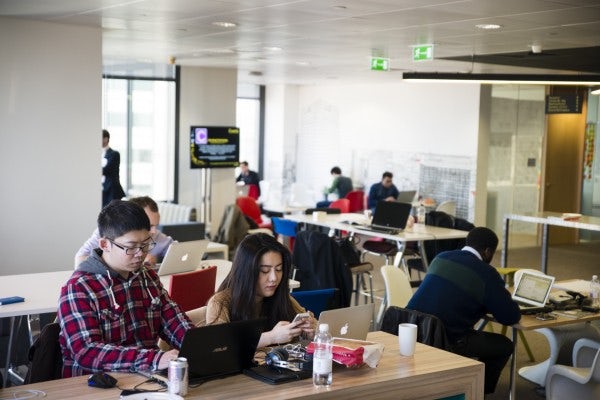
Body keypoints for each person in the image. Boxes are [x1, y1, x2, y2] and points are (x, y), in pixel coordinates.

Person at [58, 200, 193, 377]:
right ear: (105, 245)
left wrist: (197, 345)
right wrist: (154, 359)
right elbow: (87, 351)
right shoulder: (79, 287)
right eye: (131, 247)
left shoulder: (147, 276)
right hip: (95, 382)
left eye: (145, 244)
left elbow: (173, 321)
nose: (140, 254)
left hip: (145, 376)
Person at [406, 227, 520, 394]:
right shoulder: (487, 273)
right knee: (504, 345)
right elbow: (510, 316)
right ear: (488, 252)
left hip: (412, 331)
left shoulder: (441, 257)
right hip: (444, 338)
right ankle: (478, 393)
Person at [206, 233, 315, 348]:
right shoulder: (219, 302)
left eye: (279, 269)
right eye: (264, 271)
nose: (274, 278)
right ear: (246, 272)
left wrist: (310, 333)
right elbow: (219, 347)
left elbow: (311, 333)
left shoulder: (282, 298)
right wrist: (271, 337)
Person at [74, 196, 174, 268]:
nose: (154, 231)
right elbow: (80, 261)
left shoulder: (156, 234)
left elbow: (177, 252)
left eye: (156, 225)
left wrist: (156, 259)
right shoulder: (108, 232)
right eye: (149, 225)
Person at [102, 129, 126, 207]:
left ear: (106, 139)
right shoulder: (97, 154)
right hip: (102, 190)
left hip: (111, 190)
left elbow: (107, 170)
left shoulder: (114, 154)